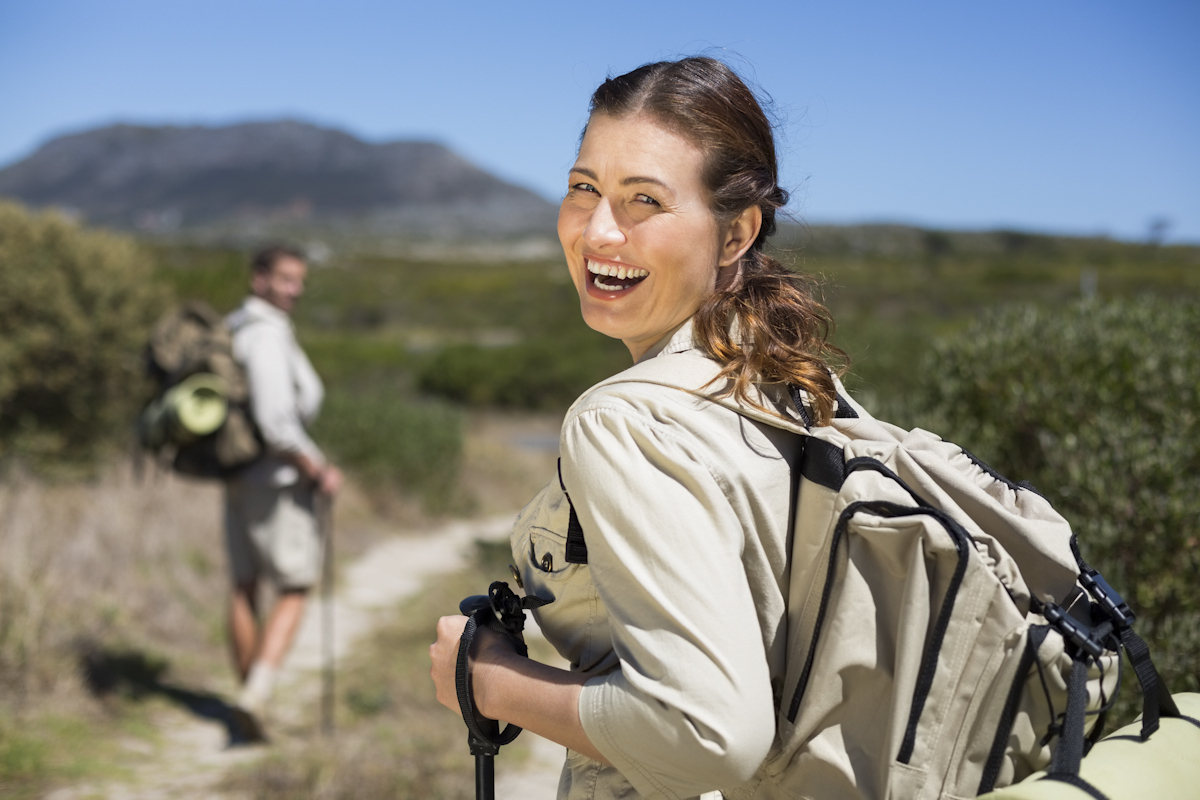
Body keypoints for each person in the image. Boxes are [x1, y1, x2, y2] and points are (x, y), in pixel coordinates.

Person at [430, 57, 845, 798]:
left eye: (644, 201)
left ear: (734, 234)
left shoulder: (624, 419)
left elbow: (710, 732)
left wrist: (489, 679)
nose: (598, 232)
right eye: (583, 188)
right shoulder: (796, 387)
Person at [225, 245, 343, 740]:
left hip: (238, 475)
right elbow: (277, 421)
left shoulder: (236, 327)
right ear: (259, 280)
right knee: (295, 585)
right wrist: (316, 467)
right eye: (285, 279)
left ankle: (250, 698)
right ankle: (256, 693)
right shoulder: (266, 334)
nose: (293, 289)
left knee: (244, 585)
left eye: (299, 281)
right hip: (277, 482)